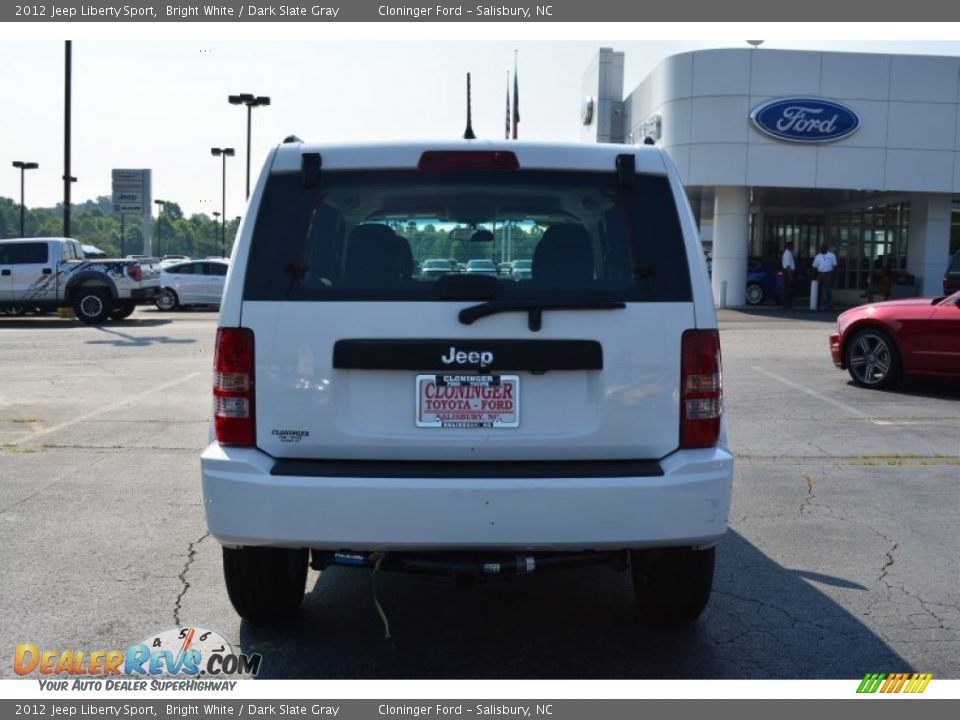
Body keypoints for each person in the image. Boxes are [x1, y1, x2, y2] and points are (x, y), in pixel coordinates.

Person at [812, 243, 837, 310]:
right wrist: (813, 276)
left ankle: (830, 306)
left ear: (826, 248)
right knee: (818, 290)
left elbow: (834, 266)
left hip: (828, 274)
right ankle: (817, 306)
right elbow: (814, 267)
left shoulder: (831, 255)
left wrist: (834, 276)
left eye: (823, 248)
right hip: (820, 274)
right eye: (821, 248)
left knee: (828, 290)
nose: (821, 249)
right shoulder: (817, 256)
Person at [781, 241, 796, 308]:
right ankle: (786, 304)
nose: (794, 247)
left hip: (788, 272)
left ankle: (788, 303)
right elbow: (787, 266)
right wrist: (790, 276)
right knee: (787, 288)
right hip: (787, 272)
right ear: (789, 246)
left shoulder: (789, 253)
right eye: (793, 246)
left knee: (789, 288)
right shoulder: (787, 254)